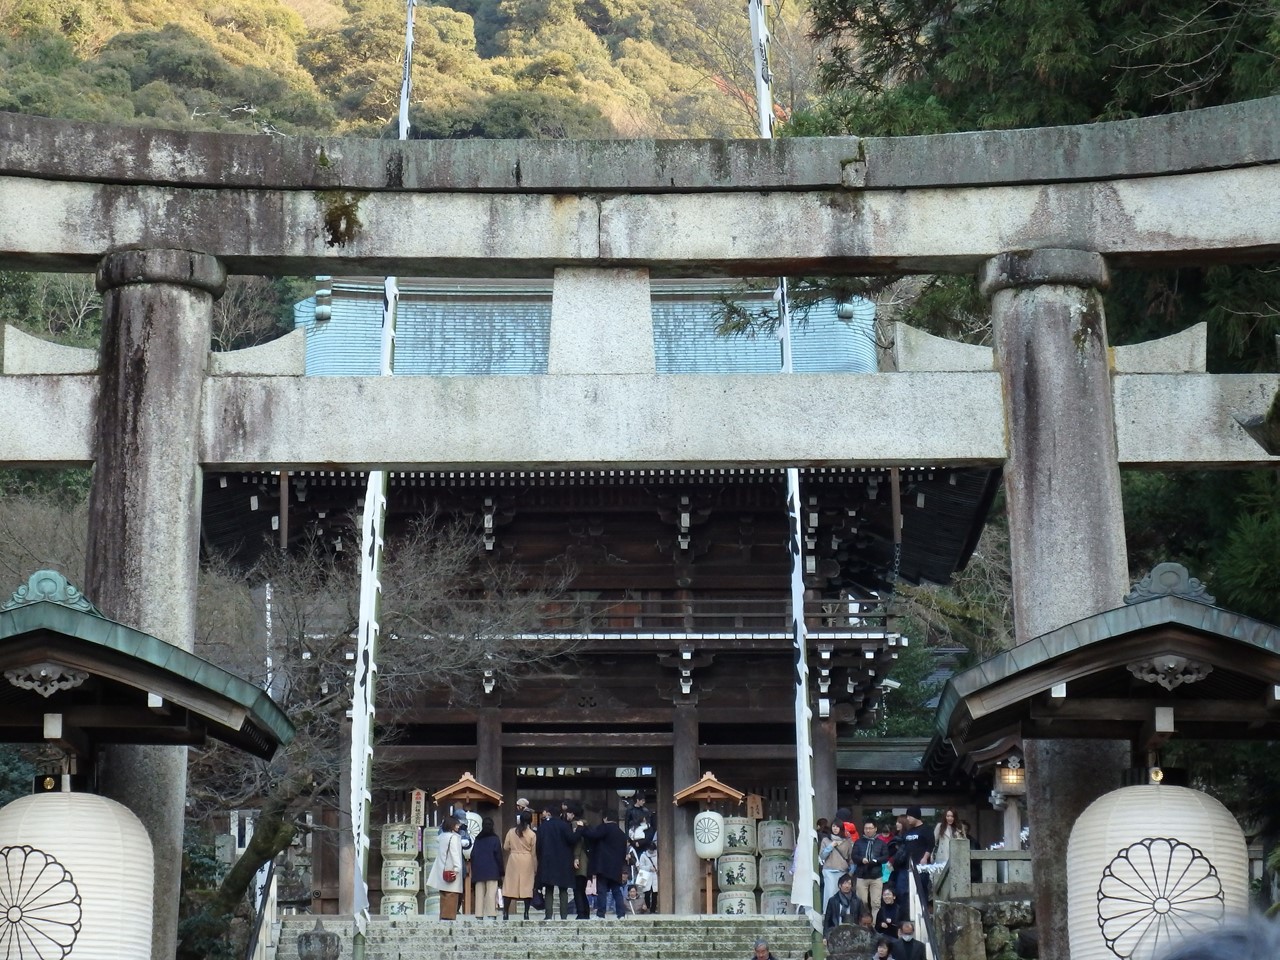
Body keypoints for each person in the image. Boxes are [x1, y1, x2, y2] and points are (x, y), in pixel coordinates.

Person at [583, 808, 629, 919]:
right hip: (616, 866)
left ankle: (601, 914)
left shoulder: (604, 828)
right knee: (616, 890)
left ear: (605, 818)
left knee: (602, 890)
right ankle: (621, 914)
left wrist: (582, 828)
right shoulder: (622, 834)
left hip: (603, 865)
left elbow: (592, 835)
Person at [535, 802, 576, 919]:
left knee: (548, 889)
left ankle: (548, 915)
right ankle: (564, 916)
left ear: (549, 814)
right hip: (563, 861)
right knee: (563, 889)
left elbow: (538, 845)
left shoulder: (543, 827)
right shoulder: (564, 826)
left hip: (547, 861)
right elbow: (571, 840)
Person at [425, 815, 464, 920]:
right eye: (456, 824)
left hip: (442, 869)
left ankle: (442, 916)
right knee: (452, 895)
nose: (458, 826)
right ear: (451, 825)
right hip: (451, 868)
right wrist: (457, 868)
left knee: (443, 894)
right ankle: (449, 918)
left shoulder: (442, 837)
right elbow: (454, 854)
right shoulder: (453, 838)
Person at [851, 819, 887, 924]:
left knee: (876, 903)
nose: (868, 830)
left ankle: (874, 925)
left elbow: (885, 856)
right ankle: (863, 924)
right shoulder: (858, 842)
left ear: (875, 829)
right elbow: (854, 856)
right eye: (866, 828)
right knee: (862, 902)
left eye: (870, 828)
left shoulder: (881, 843)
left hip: (876, 876)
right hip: (862, 875)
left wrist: (876, 861)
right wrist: (861, 859)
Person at [502, 810, 537, 920]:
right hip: (527, 859)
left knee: (509, 886)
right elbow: (534, 852)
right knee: (527, 886)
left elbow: (505, 847)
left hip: (514, 859)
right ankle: (526, 913)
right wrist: (535, 868)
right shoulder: (532, 834)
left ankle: (505, 912)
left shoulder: (511, 832)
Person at [469, 817, 503, 920]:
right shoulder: (495, 839)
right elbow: (498, 856)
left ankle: (479, 914)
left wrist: (474, 869)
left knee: (479, 893)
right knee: (491, 893)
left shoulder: (478, 839)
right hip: (492, 870)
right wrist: (501, 871)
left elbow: (472, 854)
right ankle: (491, 913)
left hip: (479, 871)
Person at [820, 819, 854, 907]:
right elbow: (822, 856)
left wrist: (850, 873)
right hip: (829, 870)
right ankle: (827, 914)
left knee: (841, 894)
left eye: (838, 827)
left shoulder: (847, 842)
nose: (835, 828)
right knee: (830, 893)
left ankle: (840, 916)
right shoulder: (826, 840)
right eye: (833, 826)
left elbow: (851, 859)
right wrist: (830, 846)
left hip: (842, 871)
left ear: (841, 828)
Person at [823, 872, 861, 937]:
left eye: (849, 884)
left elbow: (860, 917)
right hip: (836, 931)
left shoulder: (857, 900)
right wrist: (825, 936)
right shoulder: (833, 900)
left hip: (853, 932)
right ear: (840, 885)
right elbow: (827, 920)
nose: (847, 886)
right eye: (845, 883)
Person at [635, 839, 659, 914]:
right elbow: (641, 866)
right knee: (647, 893)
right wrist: (649, 868)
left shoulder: (657, 855)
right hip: (647, 876)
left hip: (655, 875)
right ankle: (647, 908)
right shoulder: (643, 855)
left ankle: (653, 909)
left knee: (655, 893)